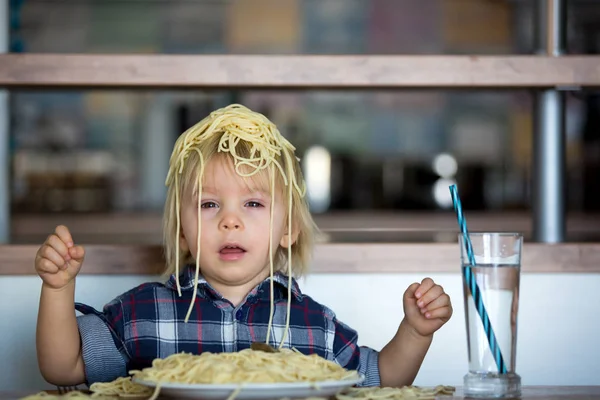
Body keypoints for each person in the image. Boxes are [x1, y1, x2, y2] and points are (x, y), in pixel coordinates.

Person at [35, 104, 452, 388]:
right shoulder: (140, 314)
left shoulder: (314, 326)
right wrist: (57, 289)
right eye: (209, 204)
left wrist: (414, 332)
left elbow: (378, 378)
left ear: (287, 229)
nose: (229, 220)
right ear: (182, 230)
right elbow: (64, 368)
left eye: (253, 203)